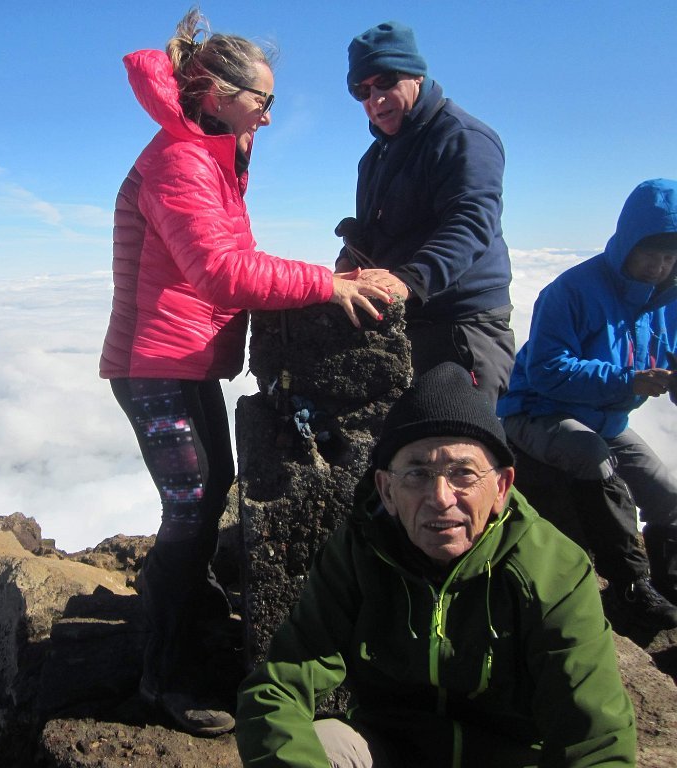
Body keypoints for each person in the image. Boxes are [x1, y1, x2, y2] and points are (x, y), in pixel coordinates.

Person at [99, 9, 393, 737]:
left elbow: (229, 260)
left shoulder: (208, 154)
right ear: (218, 92)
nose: (267, 114)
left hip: (179, 359)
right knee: (192, 507)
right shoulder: (181, 160)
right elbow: (219, 272)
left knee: (209, 492)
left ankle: (187, 614)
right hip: (154, 365)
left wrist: (324, 281)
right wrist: (326, 287)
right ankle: (162, 676)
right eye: (262, 100)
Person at [236, 362, 636, 767]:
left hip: (509, 758)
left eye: (463, 473)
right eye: (417, 473)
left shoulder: (553, 569)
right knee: (322, 745)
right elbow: (278, 689)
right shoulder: (360, 552)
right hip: (390, 749)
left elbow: (596, 740)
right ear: (386, 490)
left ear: (501, 488)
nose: (441, 497)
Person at [498, 178, 677, 631]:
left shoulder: (669, 302)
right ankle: (630, 586)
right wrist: (629, 381)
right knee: (592, 459)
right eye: (650, 253)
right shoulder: (571, 291)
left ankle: (670, 583)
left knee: (667, 493)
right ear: (628, 242)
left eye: (669, 256)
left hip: (606, 418)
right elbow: (546, 370)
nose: (659, 265)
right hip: (535, 411)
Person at [336, 21, 515, 406]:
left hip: (463, 326)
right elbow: (376, 229)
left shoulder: (461, 137)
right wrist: (349, 260)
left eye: (385, 81)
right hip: (410, 319)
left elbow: (470, 223)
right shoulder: (375, 158)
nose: (375, 99)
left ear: (416, 74)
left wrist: (409, 280)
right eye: (362, 91)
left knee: (457, 436)